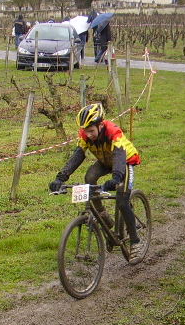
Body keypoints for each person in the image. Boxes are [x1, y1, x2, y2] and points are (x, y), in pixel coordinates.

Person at [49, 103, 143, 264]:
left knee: (121, 200)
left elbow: (120, 156)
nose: (89, 134)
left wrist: (116, 178)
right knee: (89, 178)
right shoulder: (86, 135)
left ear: (100, 125)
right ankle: (105, 217)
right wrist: (61, 178)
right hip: (105, 161)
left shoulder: (114, 132)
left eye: (91, 131)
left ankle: (135, 242)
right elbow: (78, 155)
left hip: (124, 162)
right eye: (86, 131)